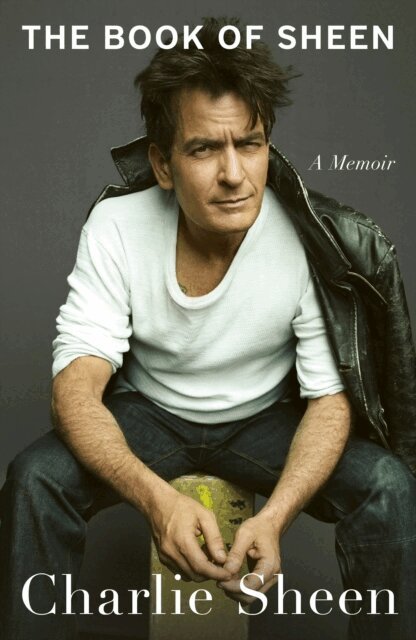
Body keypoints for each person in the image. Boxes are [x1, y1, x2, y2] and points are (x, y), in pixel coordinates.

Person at [1, 17, 415, 640]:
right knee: (35, 479)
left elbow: (329, 401)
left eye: (249, 144)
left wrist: (274, 519)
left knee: (388, 485)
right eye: (203, 149)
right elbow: (75, 389)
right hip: (149, 415)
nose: (234, 175)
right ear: (162, 164)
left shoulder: (311, 238)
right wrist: (156, 500)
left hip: (266, 420)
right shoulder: (117, 226)